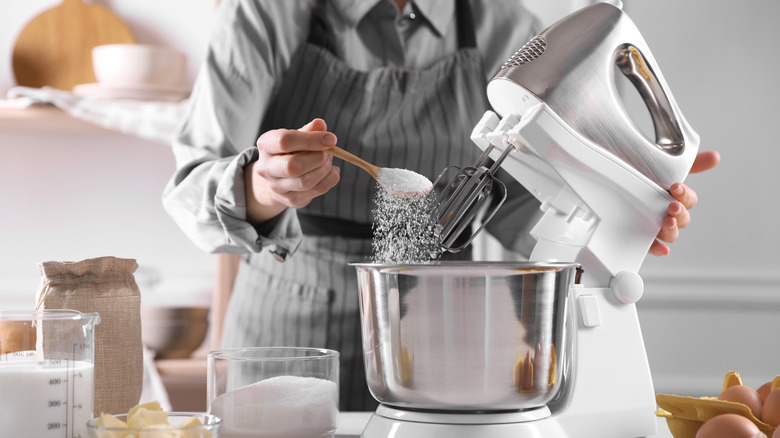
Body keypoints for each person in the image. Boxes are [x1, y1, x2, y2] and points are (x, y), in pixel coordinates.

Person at [163, 0, 720, 411]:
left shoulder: (511, 33)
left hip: (440, 331)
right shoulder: (267, 14)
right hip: (288, 330)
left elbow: (518, 209)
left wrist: (609, 204)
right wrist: (262, 186)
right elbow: (189, 188)